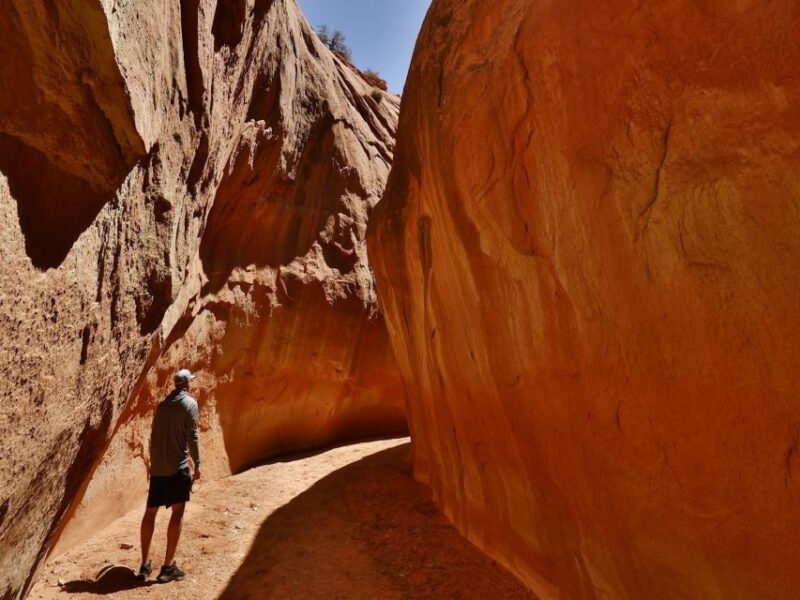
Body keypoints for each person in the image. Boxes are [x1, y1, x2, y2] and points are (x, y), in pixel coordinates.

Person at [136, 368, 201, 583]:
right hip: (178, 466)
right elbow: (192, 436)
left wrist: (153, 465)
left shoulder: (162, 405)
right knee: (177, 512)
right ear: (187, 384)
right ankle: (167, 567)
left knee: (150, 512)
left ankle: (144, 566)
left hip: (159, 469)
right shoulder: (190, 405)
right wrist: (197, 463)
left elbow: (154, 436)